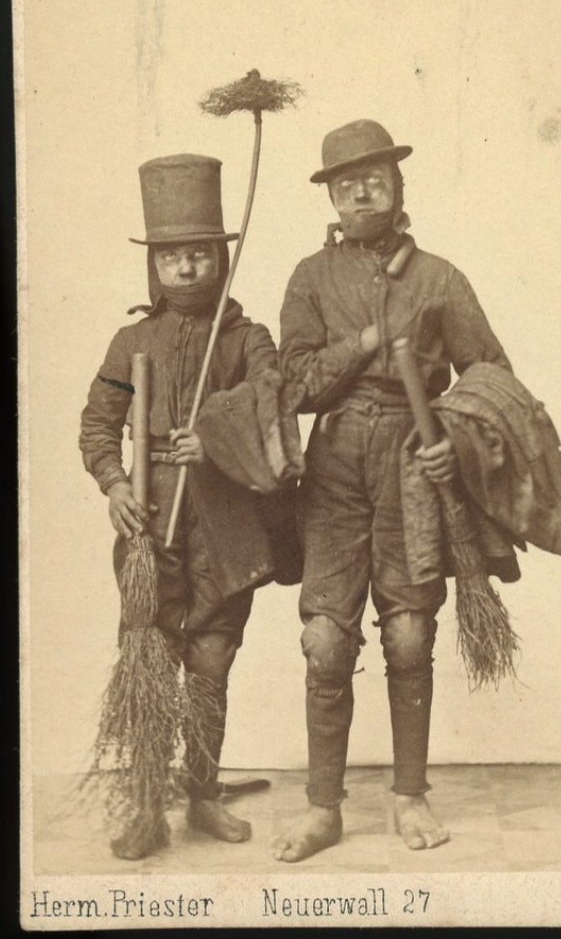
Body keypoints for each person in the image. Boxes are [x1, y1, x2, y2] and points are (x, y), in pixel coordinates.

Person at [274, 119, 512, 862]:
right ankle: (323, 808)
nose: (362, 189)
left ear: (399, 185)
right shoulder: (310, 278)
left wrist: (457, 445)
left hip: (414, 461)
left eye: (375, 175)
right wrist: (365, 345)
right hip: (338, 462)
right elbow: (296, 384)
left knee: (409, 633)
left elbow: (492, 378)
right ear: (333, 200)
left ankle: (410, 797)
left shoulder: (440, 277)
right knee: (324, 641)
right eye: (346, 183)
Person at [80, 153, 291, 860]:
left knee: (210, 661)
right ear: (156, 265)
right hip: (150, 525)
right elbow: (97, 425)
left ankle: (202, 796)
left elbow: (274, 405)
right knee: (147, 655)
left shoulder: (248, 338)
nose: (189, 270)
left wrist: (218, 437)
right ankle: (145, 804)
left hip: (226, 530)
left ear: (220, 260)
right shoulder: (132, 339)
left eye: (201, 255)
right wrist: (114, 483)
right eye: (174, 257)